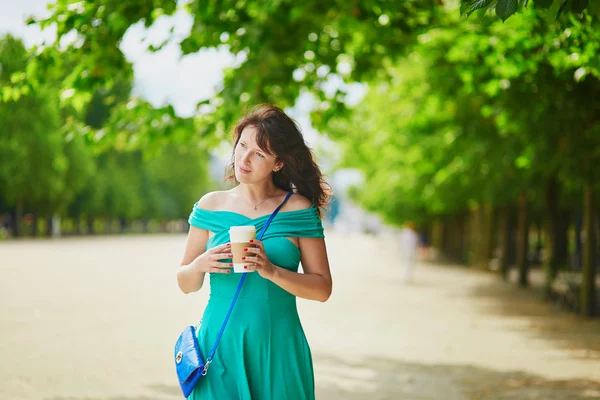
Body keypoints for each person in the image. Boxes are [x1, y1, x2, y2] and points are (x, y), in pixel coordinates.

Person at [177, 104, 333, 400]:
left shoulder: (298, 209)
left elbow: (322, 288)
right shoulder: (210, 206)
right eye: (242, 146)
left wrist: (271, 270)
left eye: (259, 153)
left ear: (278, 164)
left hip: (279, 347)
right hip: (218, 344)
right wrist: (199, 265)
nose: (244, 159)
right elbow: (185, 283)